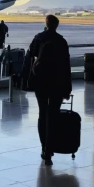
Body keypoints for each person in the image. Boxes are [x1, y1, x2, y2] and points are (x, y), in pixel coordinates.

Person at [29, 15, 72, 166]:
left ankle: (43, 147)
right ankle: (49, 148)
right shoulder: (61, 41)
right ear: (57, 25)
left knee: (42, 113)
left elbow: (30, 56)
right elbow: (67, 66)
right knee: (53, 115)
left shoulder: (38, 38)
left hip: (41, 81)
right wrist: (68, 87)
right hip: (57, 83)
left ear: (46, 24)